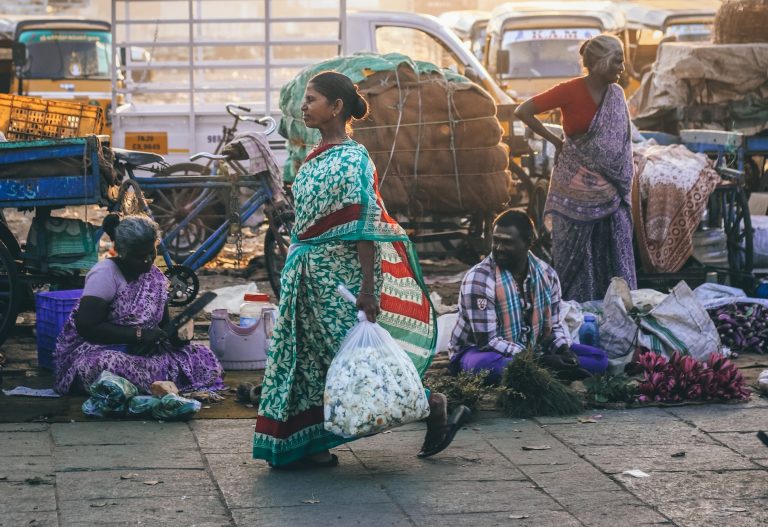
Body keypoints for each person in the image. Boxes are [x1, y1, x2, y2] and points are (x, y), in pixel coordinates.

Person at [252, 71, 469, 469]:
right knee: (308, 359)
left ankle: (432, 404)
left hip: (344, 282)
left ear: (336, 107)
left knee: (359, 361)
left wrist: (368, 290)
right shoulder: (311, 157)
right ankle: (311, 444)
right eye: (305, 99)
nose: (304, 106)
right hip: (309, 278)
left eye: (312, 99)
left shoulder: (354, 159)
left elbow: (365, 227)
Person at [514, 34, 636, 302]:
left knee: (611, 247)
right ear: (601, 61)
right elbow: (523, 111)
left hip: (611, 190)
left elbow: (621, 145)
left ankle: (617, 307)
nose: (622, 68)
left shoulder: (616, 95)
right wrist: (555, 140)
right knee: (579, 254)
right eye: (618, 61)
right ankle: (578, 308)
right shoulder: (569, 90)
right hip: (574, 186)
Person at [54, 214, 224, 394]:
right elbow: (87, 326)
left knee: (202, 355)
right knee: (107, 365)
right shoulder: (105, 274)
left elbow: (163, 323)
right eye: (139, 256)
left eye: (152, 252)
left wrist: (176, 336)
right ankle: (153, 383)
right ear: (122, 251)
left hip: (145, 354)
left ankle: (149, 385)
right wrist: (139, 335)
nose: (148, 260)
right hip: (100, 350)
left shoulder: (155, 276)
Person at [450, 210, 608, 383]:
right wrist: (541, 361)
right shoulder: (479, 278)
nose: (498, 248)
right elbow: (488, 342)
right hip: (479, 352)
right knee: (486, 366)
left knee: (599, 359)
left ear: (528, 243)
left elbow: (553, 326)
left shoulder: (547, 274)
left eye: (507, 242)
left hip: (531, 349)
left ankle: (541, 371)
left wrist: (563, 349)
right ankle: (546, 370)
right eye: (496, 240)